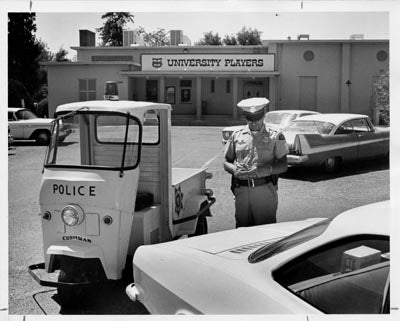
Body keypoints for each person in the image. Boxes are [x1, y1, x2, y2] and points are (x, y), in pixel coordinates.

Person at [223, 97, 289, 228]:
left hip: (264, 190)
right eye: (249, 119)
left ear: (263, 115)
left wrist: (264, 170)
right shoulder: (237, 135)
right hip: (241, 191)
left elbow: (283, 165)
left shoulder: (275, 135)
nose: (253, 122)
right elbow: (227, 162)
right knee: (242, 230)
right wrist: (235, 170)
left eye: (257, 118)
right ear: (245, 117)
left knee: (265, 231)